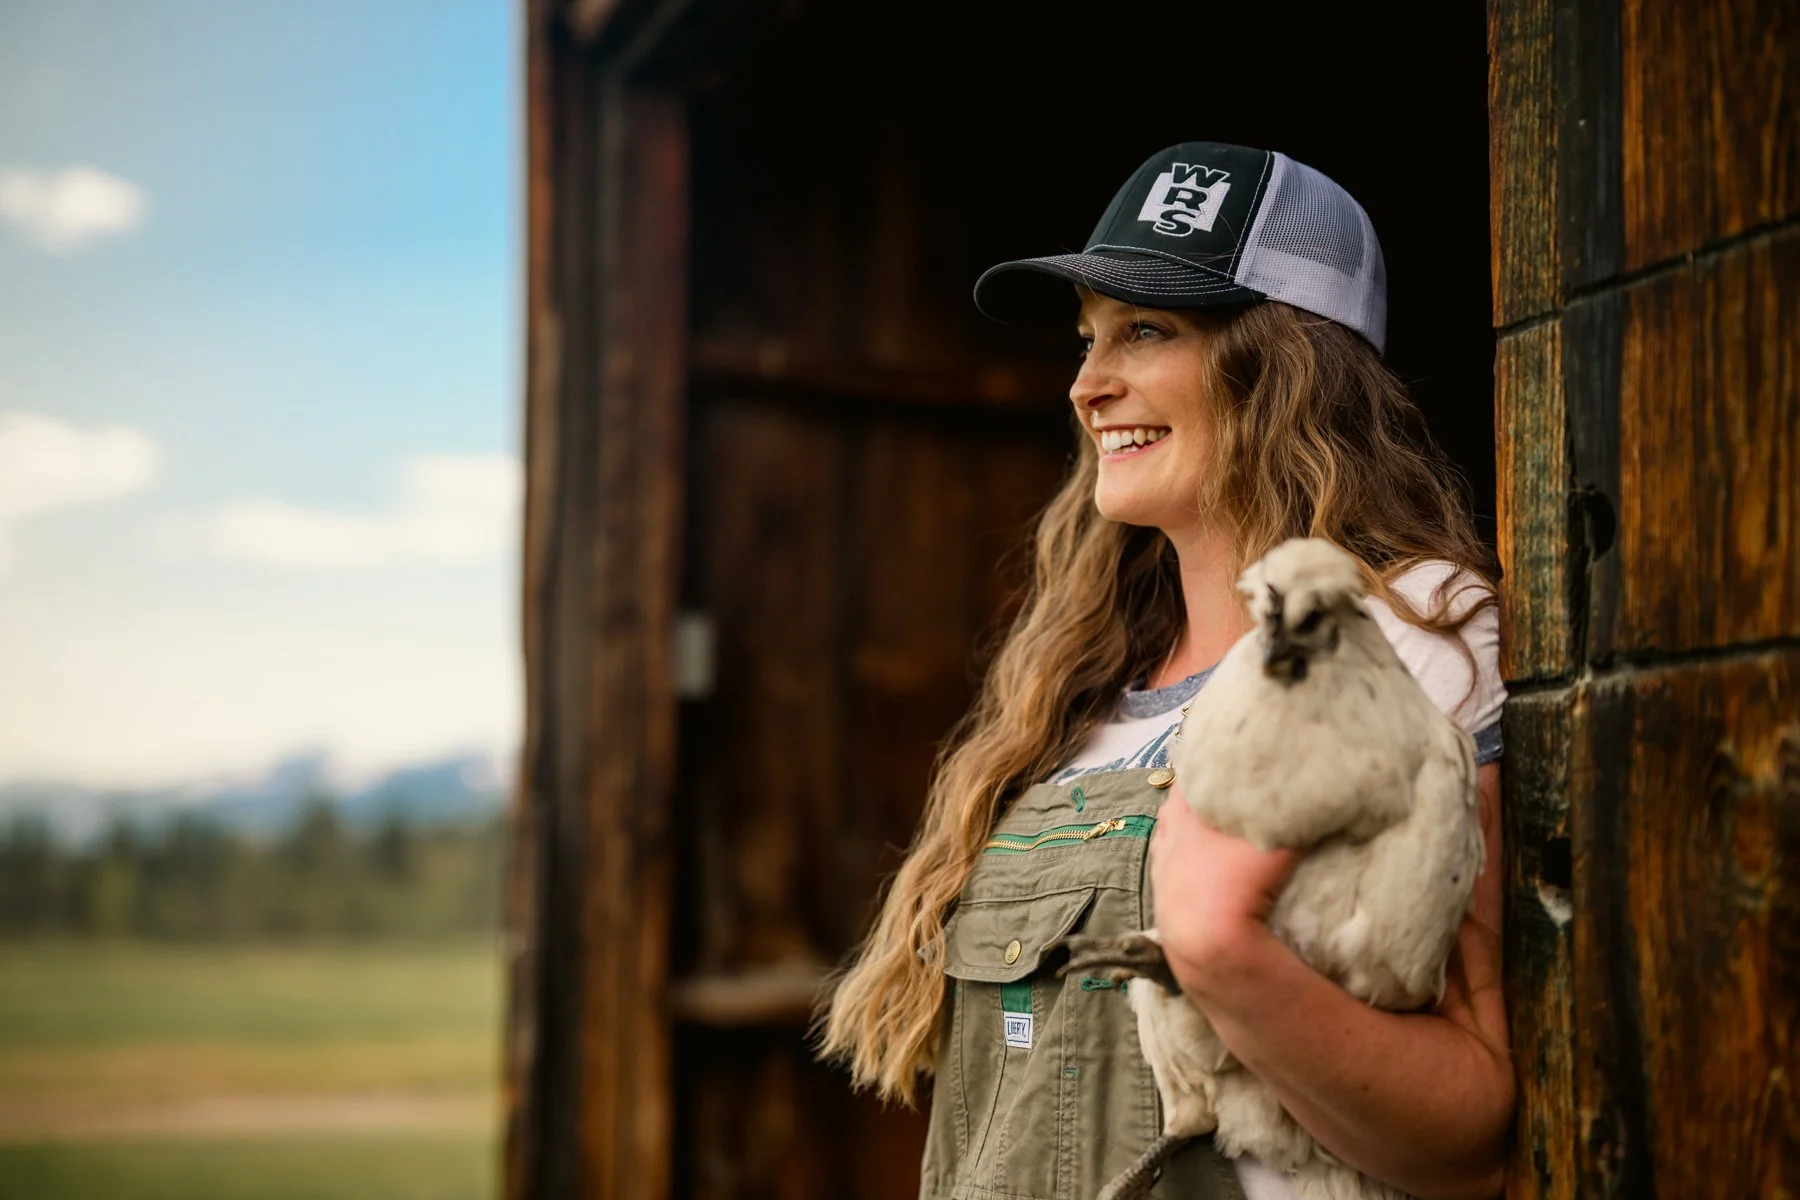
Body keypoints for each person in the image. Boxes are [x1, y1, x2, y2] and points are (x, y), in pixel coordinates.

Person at [819, 141, 1512, 1200]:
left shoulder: (1415, 636)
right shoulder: (1078, 694)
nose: (1089, 385)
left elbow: (1470, 1135)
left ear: (1287, 362)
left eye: (1146, 331)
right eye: (1089, 339)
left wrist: (1223, 955)